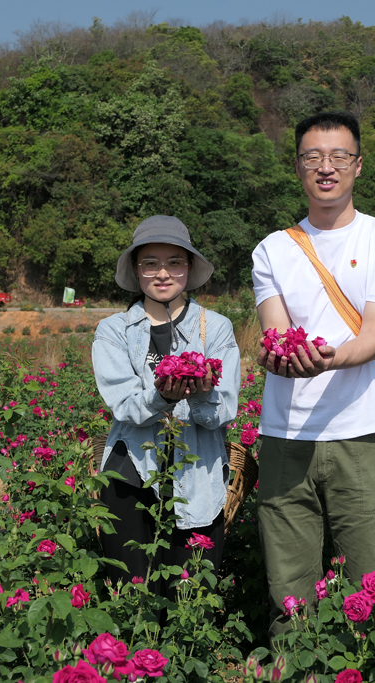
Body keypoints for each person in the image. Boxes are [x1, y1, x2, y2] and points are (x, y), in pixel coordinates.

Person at [251, 111, 375, 637]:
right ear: (298, 166)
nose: (326, 167)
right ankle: (292, 665)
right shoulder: (273, 249)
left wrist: (328, 358)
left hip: (359, 432)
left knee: (372, 579)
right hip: (285, 434)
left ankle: (367, 665)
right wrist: (277, 354)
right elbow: (276, 331)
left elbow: (374, 334)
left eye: (339, 156)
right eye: (313, 157)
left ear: (357, 165)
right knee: (289, 588)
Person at [92, 215, 240, 593]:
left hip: (198, 477)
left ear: (189, 267)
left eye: (175, 262)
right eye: (150, 263)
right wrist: (163, 397)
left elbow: (225, 409)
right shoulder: (114, 330)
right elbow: (124, 404)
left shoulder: (215, 327)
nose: (162, 273)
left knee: (190, 594)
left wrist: (202, 394)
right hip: (131, 475)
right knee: (132, 592)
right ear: (136, 269)